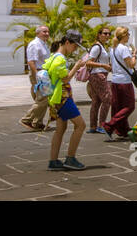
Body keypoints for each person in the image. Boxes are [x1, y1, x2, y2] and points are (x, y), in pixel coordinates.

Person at [44, 31, 88, 171]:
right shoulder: (60, 59)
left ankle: (53, 160)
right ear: (67, 42)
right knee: (81, 125)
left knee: (60, 129)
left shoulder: (52, 57)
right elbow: (66, 79)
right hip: (63, 98)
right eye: (75, 46)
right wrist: (77, 66)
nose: (75, 49)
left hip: (55, 99)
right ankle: (70, 158)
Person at [103, 26, 137, 141]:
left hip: (115, 80)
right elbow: (131, 65)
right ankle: (110, 125)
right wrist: (134, 54)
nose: (129, 37)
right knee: (129, 106)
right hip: (124, 81)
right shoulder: (124, 48)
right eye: (128, 35)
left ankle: (123, 129)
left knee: (119, 106)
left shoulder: (113, 49)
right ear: (124, 36)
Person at [19, 24, 53, 131]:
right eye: (44, 32)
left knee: (44, 99)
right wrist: (37, 75)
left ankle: (37, 122)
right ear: (37, 33)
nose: (47, 34)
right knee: (42, 99)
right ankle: (26, 119)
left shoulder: (44, 44)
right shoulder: (34, 44)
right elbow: (31, 61)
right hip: (39, 73)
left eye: (47, 32)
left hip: (44, 74)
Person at [82, 25, 114, 133]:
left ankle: (93, 126)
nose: (107, 35)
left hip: (99, 74)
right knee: (108, 98)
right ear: (99, 35)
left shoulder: (102, 46)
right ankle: (101, 125)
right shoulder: (97, 47)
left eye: (109, 34)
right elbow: (89, 62)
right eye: (105, 33)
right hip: (97, 75)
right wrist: (103, 66)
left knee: (96, 101)